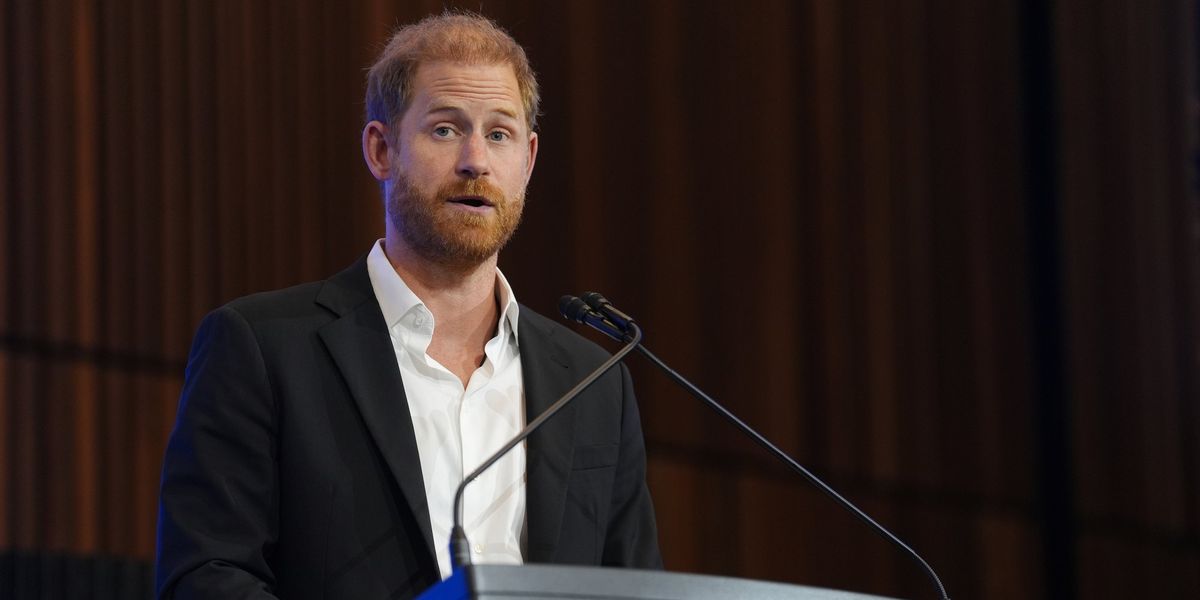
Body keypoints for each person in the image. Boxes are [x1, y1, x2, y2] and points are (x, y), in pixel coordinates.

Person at [155, 12, 661, 600]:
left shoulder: (594, 384)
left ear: (527, 161)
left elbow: (637, 589)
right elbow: (207, 576)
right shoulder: (263, 349)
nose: (476, 160)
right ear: (381, 150)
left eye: (499, 134)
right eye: (445, 129)